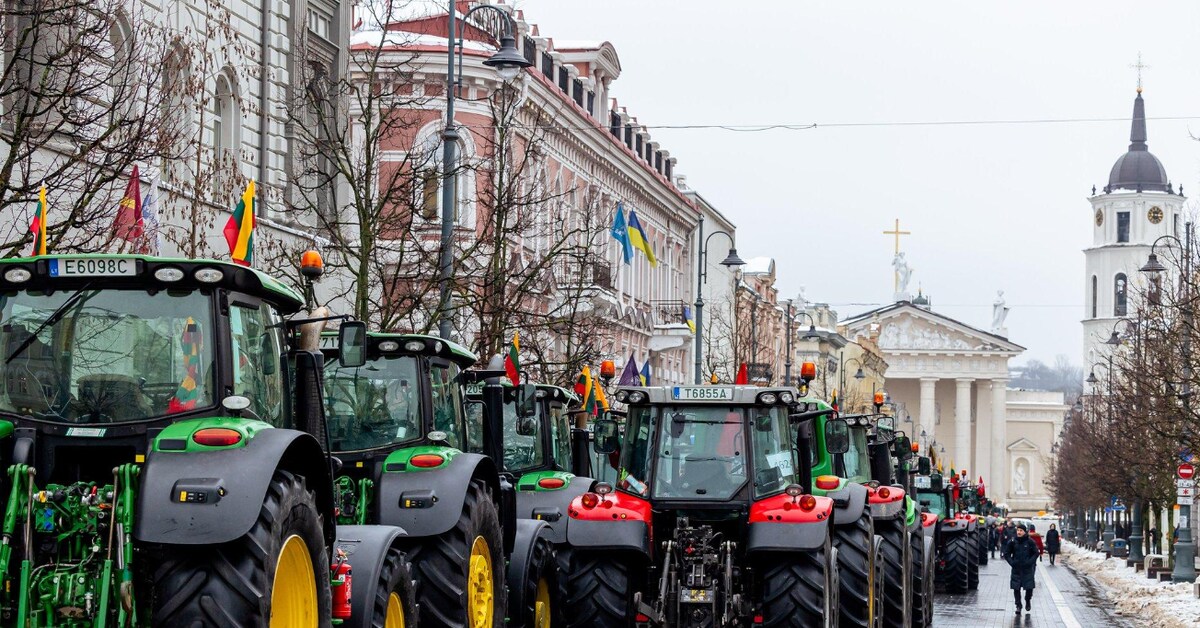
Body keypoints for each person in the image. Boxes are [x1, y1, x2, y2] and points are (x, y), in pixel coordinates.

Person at [1004, 523, 1040, 613]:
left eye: (1021, 531)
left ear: (1025, 532)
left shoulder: (1030, 541)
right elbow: (1007, 554)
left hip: (1027, 569)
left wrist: (1030, 562)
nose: (1019, 532)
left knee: (1029, 588)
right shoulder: (1012, 541)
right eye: (1018, 530)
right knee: (1016, 588)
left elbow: (1036, 553)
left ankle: (1027, 600)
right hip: (1016, 569)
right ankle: (1018, 605)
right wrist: (1012, 563)